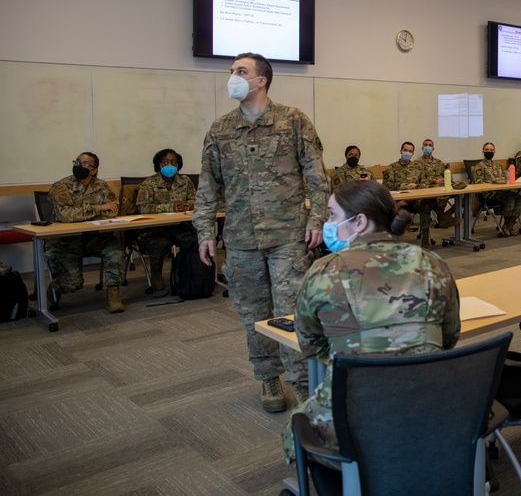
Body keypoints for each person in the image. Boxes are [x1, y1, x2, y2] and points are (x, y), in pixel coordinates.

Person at [282, 180, 460, 467]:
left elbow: (310, 345)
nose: (328, 224)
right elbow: (449, 337)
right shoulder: (433, 263)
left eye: (332, 216)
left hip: (351, 429)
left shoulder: (323, 272)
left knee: (294, 424)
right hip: (431, 415)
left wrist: (354, 350)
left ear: (359, 222)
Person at [193, 53, 329, 413]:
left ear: (261, 80)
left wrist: (317, 220)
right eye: (232, 71)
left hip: (288, 236)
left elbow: (317, 178)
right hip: (240, 239)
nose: (233, 77)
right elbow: (207, 185)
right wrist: (205, 230)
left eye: (241, 71)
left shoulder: (294, 121)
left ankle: (300, 381)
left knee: (291, 312)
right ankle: (268, 377)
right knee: (253, 315)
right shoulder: (220, 129)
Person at [44, 152, 128, 313]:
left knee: (115, 249)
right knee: (73, 284)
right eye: (77, 162)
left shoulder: (101, 186)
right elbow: (66, 216)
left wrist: (86, 212)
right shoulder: (61, 186)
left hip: (93, 237)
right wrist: (99, 208)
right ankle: (55, 287)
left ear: (94, 170)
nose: (79, 166)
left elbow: (113, 210)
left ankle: (114, 295)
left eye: (84, 164)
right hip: (65, 240)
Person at [135, 148, 198, 291]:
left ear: (178, 165)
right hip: (156, 228)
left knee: (192, 238)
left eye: (173, 162)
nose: (169, 165)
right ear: (159, 165)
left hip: (179, 225)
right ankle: (156, 273)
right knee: (159, 243)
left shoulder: (185, 181)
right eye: (165, 162)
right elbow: (143, 208)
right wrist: (171, 207)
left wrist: (187, 205)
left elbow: (197, 201)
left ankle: (185, 270)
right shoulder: (149, 183)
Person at [382, 141, 434, 248]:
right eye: (405, 150)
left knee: (427, 203)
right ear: (401, 151)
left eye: (410, 151)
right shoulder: (392, 168)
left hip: (415, 201)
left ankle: (425, 237)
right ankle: (393, 239)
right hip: (399, 202)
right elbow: (387, 185)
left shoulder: (418, 167)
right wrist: (404, 186)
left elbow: (425, 182)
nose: (407, 153)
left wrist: (416, 186)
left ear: (413, 154)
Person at [472, 142, 521, 236]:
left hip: (502, 191)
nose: (489, 152)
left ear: (494, 151)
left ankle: (509, 225)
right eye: (487, 150)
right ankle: (507, 227)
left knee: (520, 199)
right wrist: (493, 184)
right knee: (511, 200)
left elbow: (504, 178)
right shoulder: (479, 166)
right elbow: (478, 183)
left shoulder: (498, 165)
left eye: (491, 150)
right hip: (489, 194)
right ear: (483, 151)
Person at [416, 138, 459, 231]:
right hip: (430, 188)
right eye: (426, 145)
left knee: (463, 194)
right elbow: (420, 180)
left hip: (443, 187)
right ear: (422, 148)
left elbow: (447, 174)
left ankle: (446, 215)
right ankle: (442, 217)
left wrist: (446, 179)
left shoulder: (438, 162)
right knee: (442, 194)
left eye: (430, 145)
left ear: (433, 148)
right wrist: (435, 181)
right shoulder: (418, 163)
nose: (428, 147)